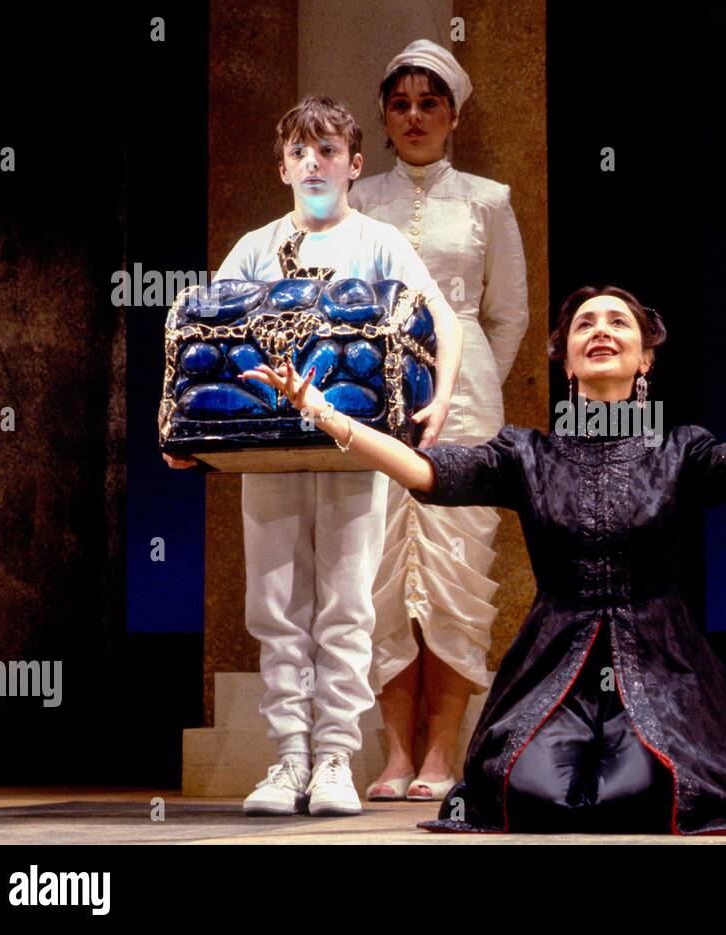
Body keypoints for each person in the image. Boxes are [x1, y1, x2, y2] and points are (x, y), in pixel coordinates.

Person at [243, 284, 726, 834]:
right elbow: (426, 471)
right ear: (567, 359)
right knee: (529, 788)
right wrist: (331, 418)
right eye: (584, 325)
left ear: (645, 360)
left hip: (660, 661)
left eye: (619, 324)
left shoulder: (680, 450)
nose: (600, 330)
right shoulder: (525, 452)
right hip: (556, 659)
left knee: (655, 786)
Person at [165, 95, 463, 816]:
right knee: (273, 603)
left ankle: (333, 756)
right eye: (300, 152)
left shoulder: (378, 242)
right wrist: (176, 423)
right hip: (266, 451)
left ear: (355, 164)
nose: (313, 163)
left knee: (346, 600)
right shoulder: (256, 246)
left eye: (328, 151)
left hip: (349, 449)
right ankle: (287, 757)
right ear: (282, 167)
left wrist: (441, 398)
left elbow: (439, 316)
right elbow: (194, 330)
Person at [347, 39, 530, 803]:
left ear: (454, 114)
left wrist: (472, 381)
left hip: (466, 401)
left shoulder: (489, 198)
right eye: (401, 103)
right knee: (382, 571)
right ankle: (394, 753)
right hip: (372, 396)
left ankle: (443, 750)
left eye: (430, 102)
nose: (415, 115)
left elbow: (508, 314)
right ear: (384, 121)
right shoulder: (360, 203)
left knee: (455, 568)